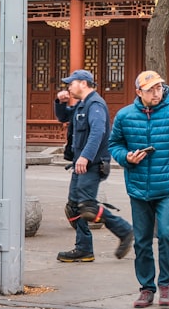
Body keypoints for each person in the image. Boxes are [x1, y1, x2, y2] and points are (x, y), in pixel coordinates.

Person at [108, 70, 169, 309]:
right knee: (142, 241)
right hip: (137, 188)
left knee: (167, 234)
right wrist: (126, 157)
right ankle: (146, 288)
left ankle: (165, 284)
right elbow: (114, 144)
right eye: (151, 90)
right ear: (139, 92)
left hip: (167, 186)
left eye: (159, 88)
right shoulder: (125, 116)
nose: (156, 93)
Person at [54, 70, 134, 264]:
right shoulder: (82, 104)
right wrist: (60, 102)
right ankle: (84, 249)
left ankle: (125, 231)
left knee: (87, 207)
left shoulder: (95, 104)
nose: (68, 87)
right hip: (79, 164)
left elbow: (98, 133)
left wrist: (85, 157)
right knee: (74, 208)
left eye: (71, 84)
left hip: (93, 164)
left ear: (83, 83)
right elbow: (64, 118)